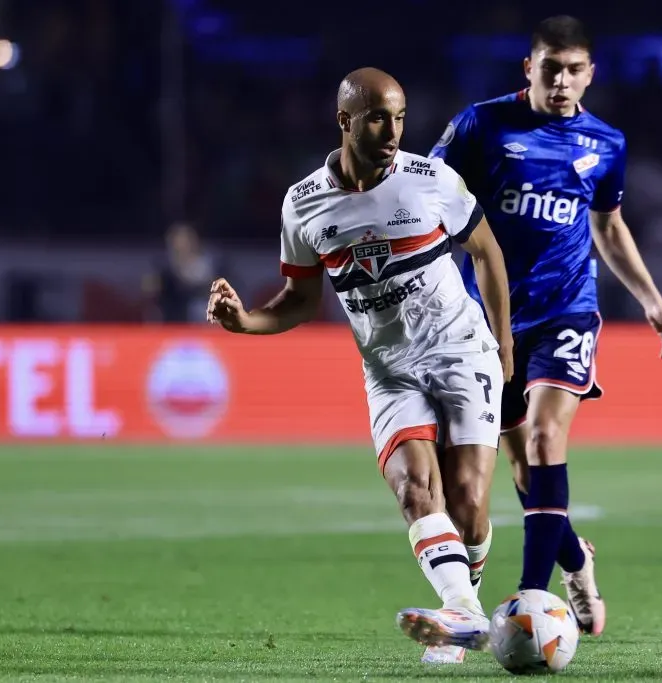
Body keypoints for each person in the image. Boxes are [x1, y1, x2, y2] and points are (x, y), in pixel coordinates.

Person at [207, 67, 513, 656]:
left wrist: (504, 343)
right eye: (377, 117)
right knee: (414, 490)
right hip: (389, 370)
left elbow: (487, 252)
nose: (392, 130)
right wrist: (245, 322)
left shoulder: (431, 180)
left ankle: (460, 608)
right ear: (345, 121)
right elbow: (298, 300)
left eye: (399, 117)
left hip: (459, 349)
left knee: (470, 506)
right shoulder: (302, 206)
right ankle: (466, 617)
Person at [428, 14, 662, 657]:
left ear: (590, 73)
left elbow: (610, 226)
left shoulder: (605, 142)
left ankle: (526, 602)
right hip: (485, 320)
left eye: (574, 70)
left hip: (567, 311)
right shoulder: (480, 125)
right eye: (551, 69)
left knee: (545, 438)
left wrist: (652, 301)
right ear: (529, 68)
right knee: (518, 465)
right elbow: (426, 196)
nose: (563, 81)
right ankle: (576, 560)